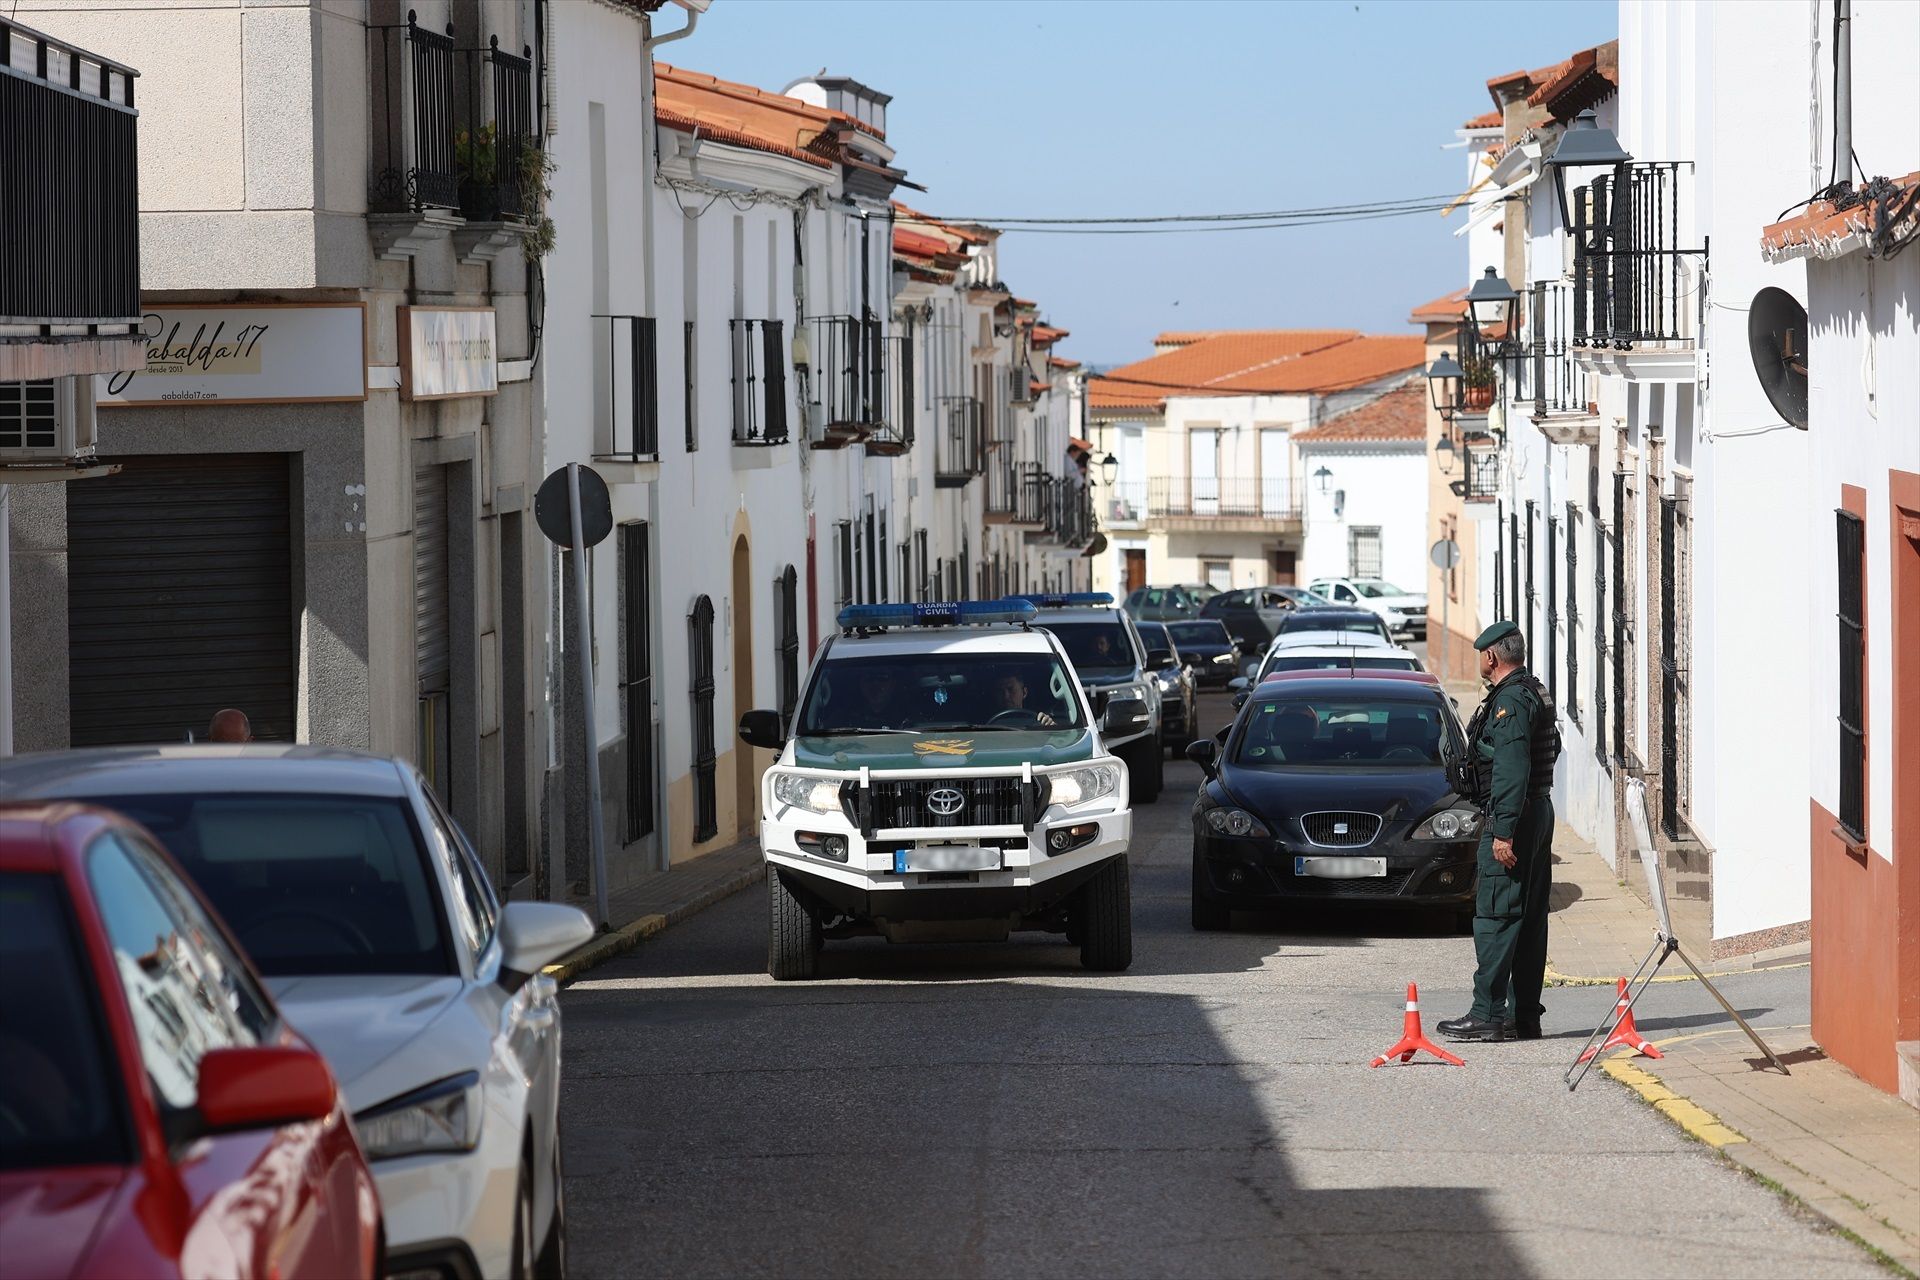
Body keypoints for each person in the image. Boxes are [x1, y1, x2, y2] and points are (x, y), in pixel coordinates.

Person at [1438, 621, 1561, 1043]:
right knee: (1528, 919)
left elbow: (1511, 769)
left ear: (1492, 656)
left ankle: (1487, 1013)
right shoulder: (1533, 690)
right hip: (1536, 810)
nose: (1480, 662)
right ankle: (1523, 1016)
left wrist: (1503, 831)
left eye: (1481, 655)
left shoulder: (1510, 701)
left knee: (1496, 914)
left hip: (1515, 816)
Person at [988, 672, 1054, 726]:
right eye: (1000, 691)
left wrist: (1050, 727)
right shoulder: (983, 726)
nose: (1006, 696)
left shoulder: (1039, 721)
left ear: (1024, 693)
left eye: (1010, 689)